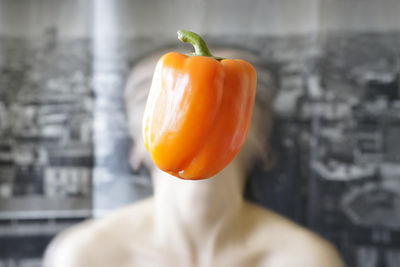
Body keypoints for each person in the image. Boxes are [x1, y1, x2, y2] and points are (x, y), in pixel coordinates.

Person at [44, 48, 345, 267]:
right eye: (161, 91)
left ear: (267, 145)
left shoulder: (306, 259)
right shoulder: (83, 256)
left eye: (233, 91)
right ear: (133, 148)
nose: (201, 97)